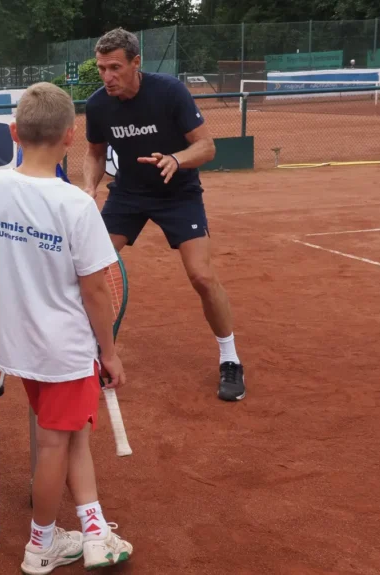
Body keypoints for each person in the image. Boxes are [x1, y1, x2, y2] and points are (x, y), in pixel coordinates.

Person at [0, 82, 134, 574]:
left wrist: (18, 254)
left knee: (70, 433)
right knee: (55, 442)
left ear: (14, 132)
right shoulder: (76, 204)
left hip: (22, 347)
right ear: (71, 136)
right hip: (66, 349)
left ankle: (94, 530)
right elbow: (95, 289)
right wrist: (109, 353)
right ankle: (41, 545)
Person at [81, 27, 246, 402]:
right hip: (127, 194)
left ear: (136, 63)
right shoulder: (98, 105)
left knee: (202, 276)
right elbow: (94, 152)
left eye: (115, 68)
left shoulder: (169, 91)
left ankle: (230, 359)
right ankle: (89, 354)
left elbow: (206, 147)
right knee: (89, 268)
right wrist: (89, 187)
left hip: (178, 193)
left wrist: (176, 159)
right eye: (102, 68)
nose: (107, 77)